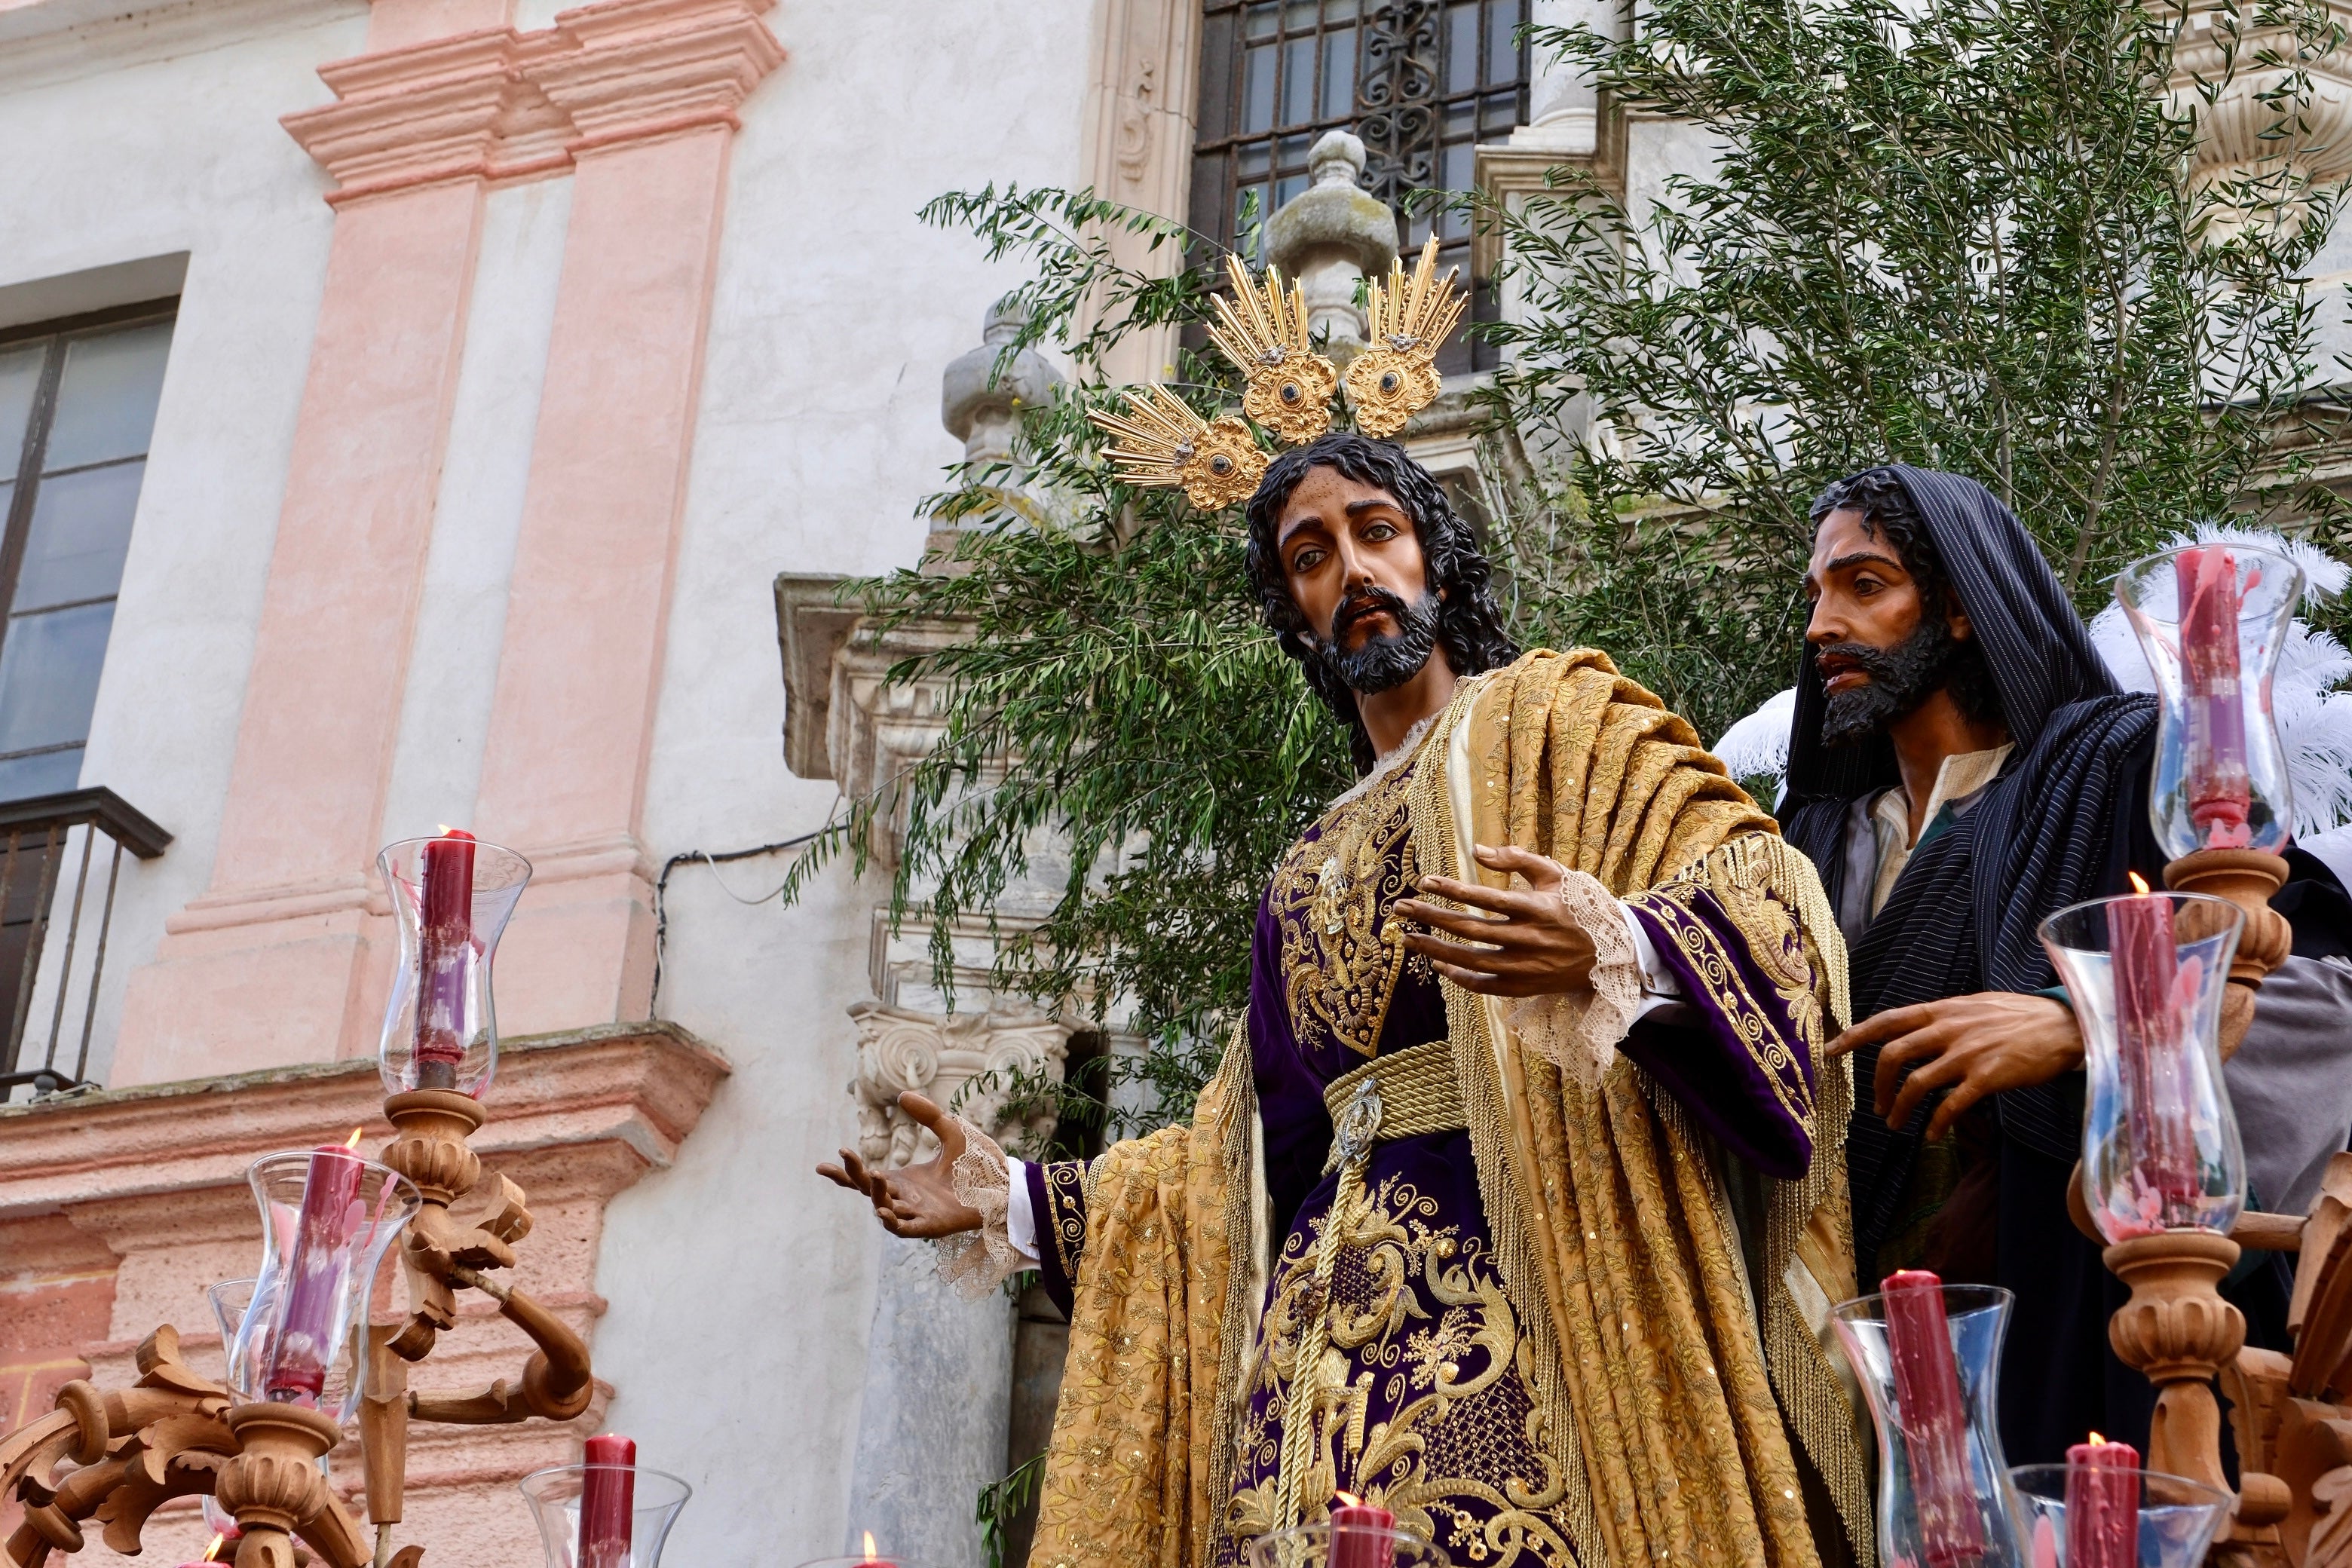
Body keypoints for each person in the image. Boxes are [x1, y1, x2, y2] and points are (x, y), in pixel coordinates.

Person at [822, 429, 1871, 1568]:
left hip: (1534, 1312)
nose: (1355, 570)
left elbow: (1762, 889)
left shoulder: (1556, 723)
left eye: (1378, 532)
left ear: (1436, 565)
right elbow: (1237, 1152)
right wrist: (1017, 1197)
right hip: (1316, 1369)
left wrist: (1618, 946)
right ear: (1297, 613)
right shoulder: (1304, 868)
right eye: (1312, 556)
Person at [1778, 464, 2347, 1465]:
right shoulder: (1800, 850)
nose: (1824, 625)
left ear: (1960, 607)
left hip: (2077, 1305)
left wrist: (2081, 1020)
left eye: (1865, 585)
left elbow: (2324, 986)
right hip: (1842, 1345)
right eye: (1818, 593)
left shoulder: (2115, 771)